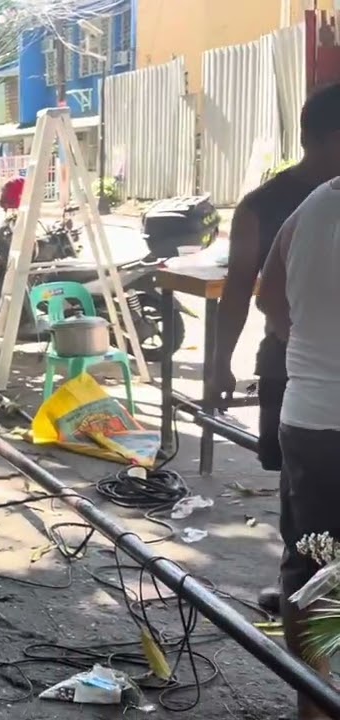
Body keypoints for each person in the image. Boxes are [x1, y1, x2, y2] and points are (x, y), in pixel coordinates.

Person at [209, 83, 340, 614]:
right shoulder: (265, 204)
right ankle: (302, 595)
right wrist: (220, 362)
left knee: (309, 505)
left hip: (307, 379)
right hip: (296, 373)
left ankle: (304, 596)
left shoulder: (299, 203)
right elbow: (244, 290)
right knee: (302, 503)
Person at [257, 175, 340, 720]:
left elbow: (267, 293)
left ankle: (313, 703)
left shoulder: (315, 203)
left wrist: (311, 352)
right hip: (313, 414)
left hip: (312, 418)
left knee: (314, 563)